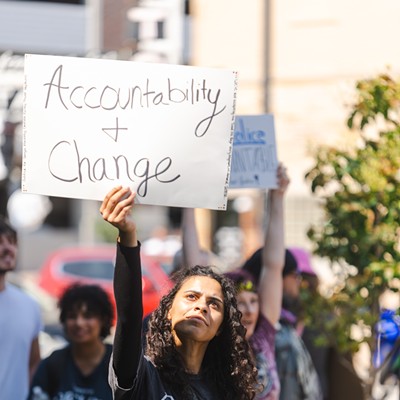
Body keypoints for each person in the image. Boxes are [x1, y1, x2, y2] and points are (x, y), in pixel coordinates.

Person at [101, 186, 259, 400]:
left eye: (214, 304)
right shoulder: (143, 376)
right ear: (168, 311)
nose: (201, 306)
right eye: (191, 296)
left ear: (221, 327)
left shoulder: (226, 391)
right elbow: (129, 320)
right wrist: (127, 235)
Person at [181, 163, 289, 399]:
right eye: (240, 303)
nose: (249, 310)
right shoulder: (211, 348)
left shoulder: (264, 339)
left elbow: (273, 265)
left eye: (254, 301)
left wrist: (277, 197)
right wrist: (188, 199)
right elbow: (193, 270)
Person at [28, 283, 114, 400]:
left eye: (87, 316)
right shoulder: (53, 363)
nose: (79, 323)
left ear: (103, 320)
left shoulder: (118, 364)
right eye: (72, 316)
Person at [0, 217, 42, 400]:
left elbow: (33, 363)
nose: (9, 248)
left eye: (12, 242)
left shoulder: (29, 305)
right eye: (0, 242)